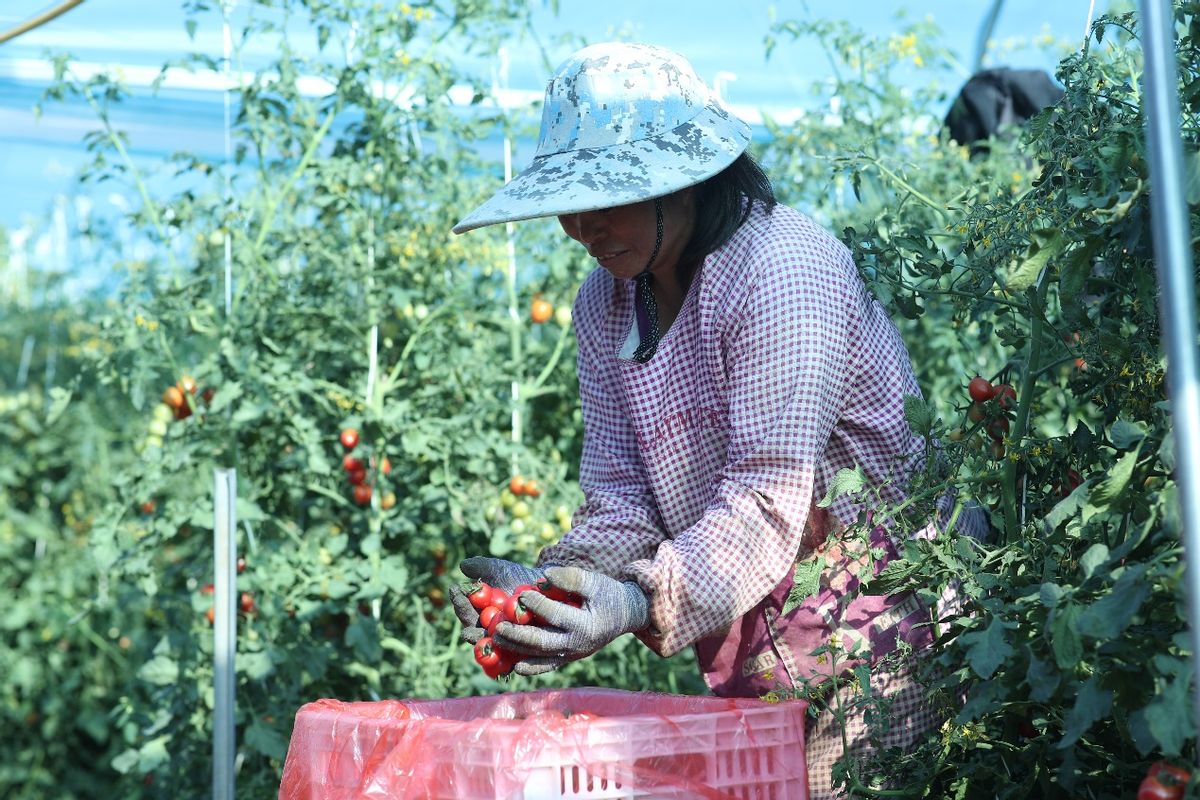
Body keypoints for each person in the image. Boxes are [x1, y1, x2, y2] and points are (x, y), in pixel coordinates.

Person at [449, 41, 985, 797]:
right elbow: (620, 498)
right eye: (568, 204)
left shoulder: (782, 271)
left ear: (688, 182)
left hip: (884, 642)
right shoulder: (605, 303)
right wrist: (549, 595)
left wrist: (634, 601)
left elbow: (769, 500)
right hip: (756, 644)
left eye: (607, 197)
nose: (582, 227)